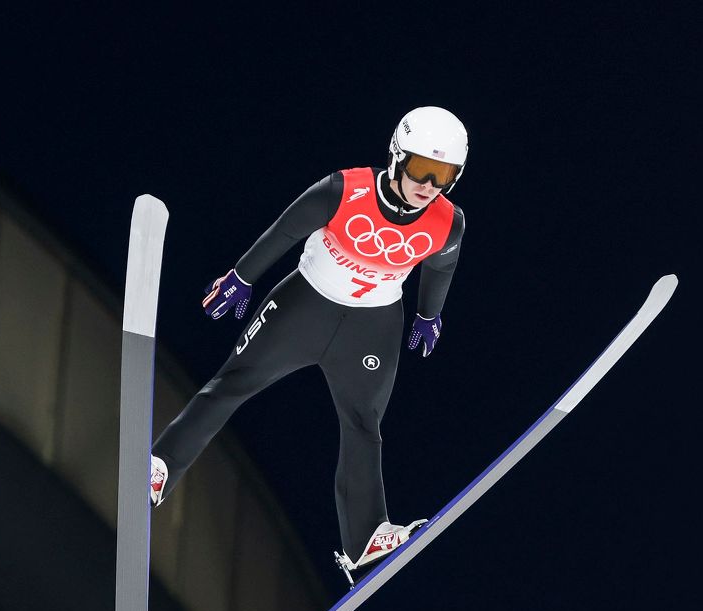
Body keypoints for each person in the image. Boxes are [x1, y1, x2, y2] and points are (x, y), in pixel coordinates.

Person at [149, 106, 468, 583]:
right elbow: (285, 231)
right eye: (422, 168)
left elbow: (440, 268)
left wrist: (428, 315)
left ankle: (365, 540)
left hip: (374, 326)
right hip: (305, 307)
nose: (429, 185)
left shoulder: (448, 222)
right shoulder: (343, 190)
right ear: (397, 156)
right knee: (232, 384)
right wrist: (241, 276)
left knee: (364, 424)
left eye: (444, 175)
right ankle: (159, 468)